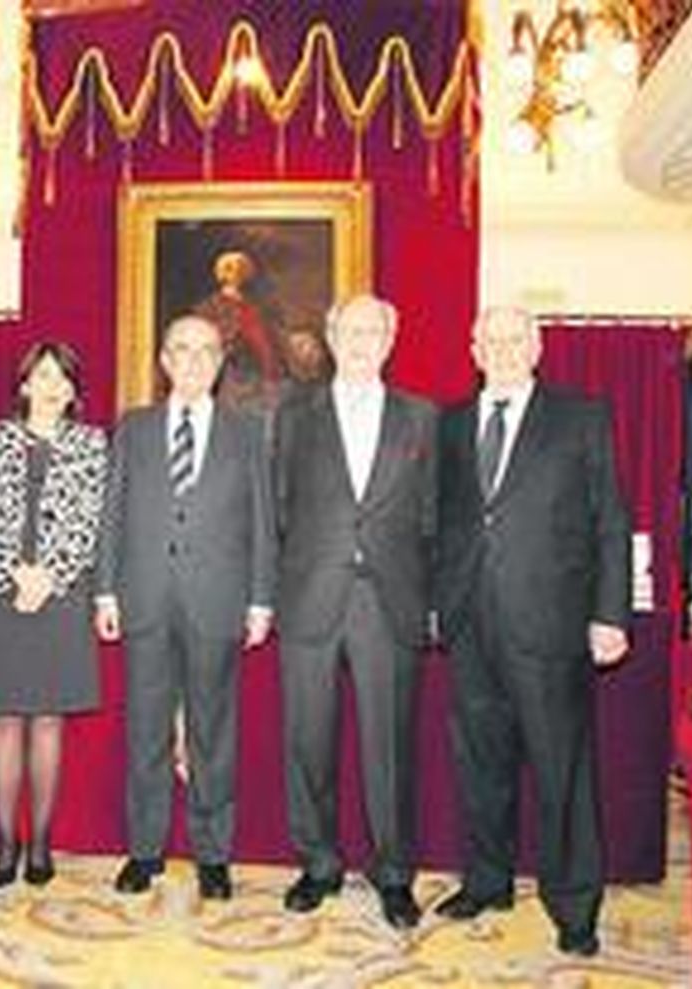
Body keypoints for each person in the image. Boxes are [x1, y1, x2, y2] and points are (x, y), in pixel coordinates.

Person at [432, 306, 631, 957]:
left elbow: (609, 522)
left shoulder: (581, 417)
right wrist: (436, 603)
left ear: (537, 345)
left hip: (551, 623)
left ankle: (575, 905)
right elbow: (442, 524)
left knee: (561, 768)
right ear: (473, 346)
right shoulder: (451, 423)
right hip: (469, 623)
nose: (504, 348)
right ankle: (487, 880)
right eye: (491, 338)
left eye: (516, 338)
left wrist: (610, 613)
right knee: (480, 765)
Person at [95, 314, 276, 900]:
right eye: (181, 350)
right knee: (145, 731)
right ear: (165, 361)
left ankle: (213, 855)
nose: (193, 361)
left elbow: (263, 523)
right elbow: (112, 515)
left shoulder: (248, 432)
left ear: (220, 362)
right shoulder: (134, 428)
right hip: (144, 597)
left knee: (212, 733)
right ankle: (144, 851)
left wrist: (261, 599)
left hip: (217, 601)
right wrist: (105, 589)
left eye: (205, 351)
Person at [273, 294, 436, 930]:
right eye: (352, 329)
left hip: (388, 600)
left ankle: (394, 873)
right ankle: (318, 863)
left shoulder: (422, 417)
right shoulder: (293, 413)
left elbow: (432, 518)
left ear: (391, 340)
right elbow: (281, 505)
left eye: (376, 330)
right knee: (306, 741)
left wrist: (430, 603)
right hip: (311, 592)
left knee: (389, 745)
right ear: (332, 335)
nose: (363, 340)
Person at [0, 341, 108, 887]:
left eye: (60, 378)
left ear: (72, 390)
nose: (50, 386)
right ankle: (5, 844)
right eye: (41, 376)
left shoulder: (93, 445)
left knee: (47, 721)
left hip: (61, 596)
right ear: (24, 384)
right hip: (3, 595)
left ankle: (41, 841)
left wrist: (49, 577)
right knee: (3, 720)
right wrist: (11, 574)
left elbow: (91, 520)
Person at [194, 250, 280, 408]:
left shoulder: (252, 307)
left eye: (241, 270)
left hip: (253, 376)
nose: (236, 274)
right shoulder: (210, 307)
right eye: (231, 269)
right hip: (228, 375)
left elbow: (263, 344)